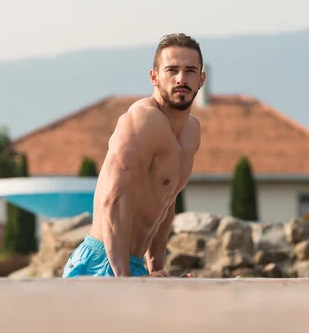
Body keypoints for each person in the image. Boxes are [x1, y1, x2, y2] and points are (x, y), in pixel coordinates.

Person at [63, 33, 206, 278]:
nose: (181, 79)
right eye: (172, 70)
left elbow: (166, 199)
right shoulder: (144, 120)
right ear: (154, 77)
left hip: (132, 266)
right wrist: (125, 281)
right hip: (104, 262)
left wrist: (157, 269)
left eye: (190, 71)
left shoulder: (191, 131)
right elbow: (114, 201)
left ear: (201, 79)